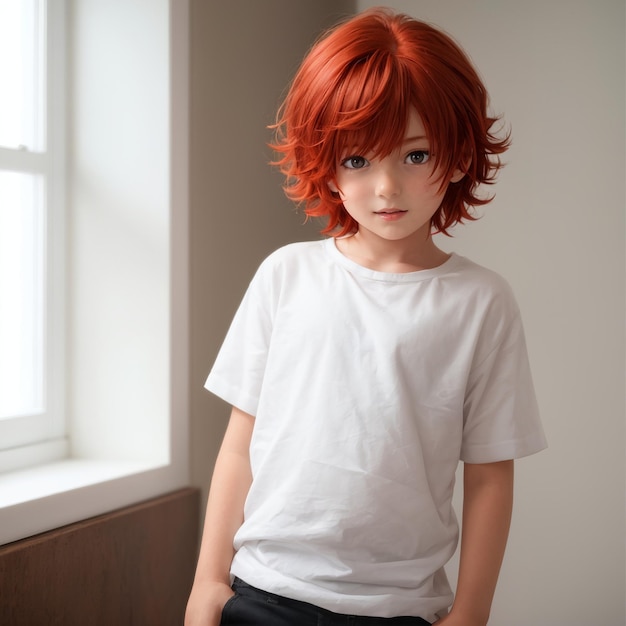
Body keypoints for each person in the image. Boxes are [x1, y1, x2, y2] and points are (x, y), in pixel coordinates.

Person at [185, 8, 547, 626]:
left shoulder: (481, 302)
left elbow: (489, 476)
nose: (386, 188)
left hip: (399, 608)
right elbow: (240, 446)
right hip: (264, 591)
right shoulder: (286, 275)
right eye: (358, 160)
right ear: (325, 161)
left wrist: (472, 613)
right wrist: (206, 585)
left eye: (415, 155)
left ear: (458, 155)